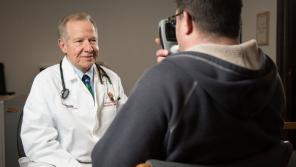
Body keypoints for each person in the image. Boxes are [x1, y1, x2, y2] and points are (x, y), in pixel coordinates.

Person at [91, 0, 285, 166]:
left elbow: (106, 162)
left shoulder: (166, 80)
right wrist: (181, 67)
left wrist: (170, 72)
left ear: (186, 21)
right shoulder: (271, 75)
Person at [20, 12, 127, 167]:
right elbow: (38, 142)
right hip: (61, 164)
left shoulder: (112, 79)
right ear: (63, 45)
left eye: (93, 40)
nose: (88, 48)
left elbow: (127, 126)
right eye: (79, 41)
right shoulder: (46, 81)